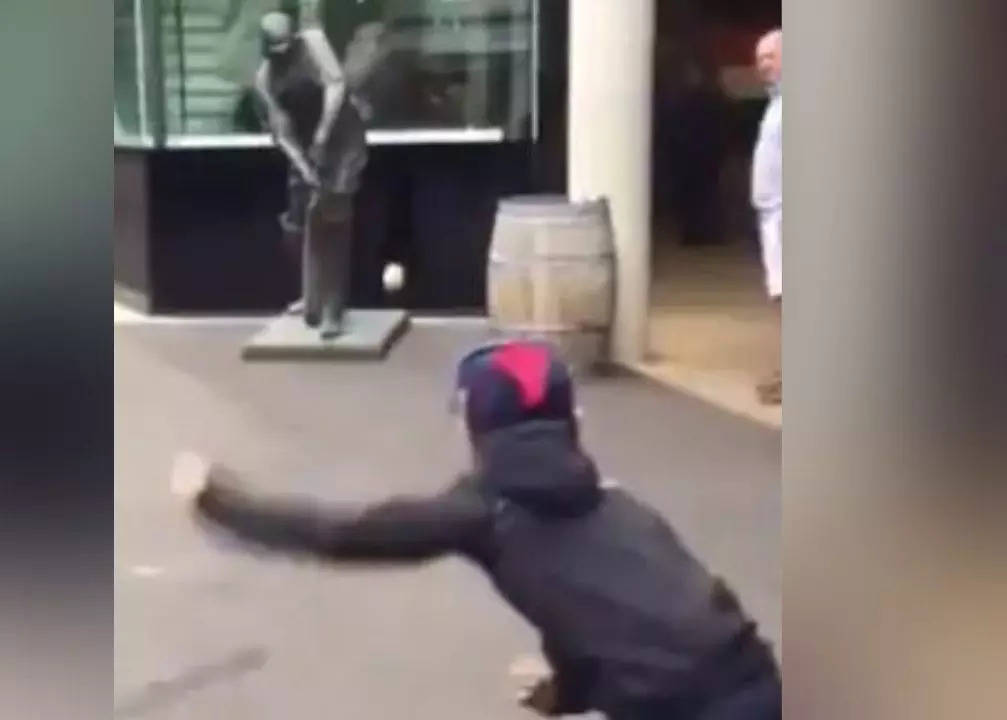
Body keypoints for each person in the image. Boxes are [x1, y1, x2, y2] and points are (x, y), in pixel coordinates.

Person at [177, 340, 781, 719]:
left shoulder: (482, 513)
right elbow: (601, 613)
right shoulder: (613, 504)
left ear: (473, 423)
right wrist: (567, 693)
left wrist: (216, 500)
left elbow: (340, 533)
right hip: (757, 683)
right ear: (571, 420)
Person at [255, 10, 368, 338]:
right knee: (297, 224)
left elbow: (335, 84)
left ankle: (333, 309)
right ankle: (311, 293)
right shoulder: (264, 79)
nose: (283, 54)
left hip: (342, 139)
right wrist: (304, 166)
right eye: (275, 50)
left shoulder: (313, 43)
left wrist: (322, 136)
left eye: (286, 46)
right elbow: (283, 130)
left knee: (332, 219)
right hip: (306, 150)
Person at [752, 29, 783, 405]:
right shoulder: (775, 103)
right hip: (772, 215)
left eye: (770, 57)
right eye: (760, 59)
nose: (763, 65)